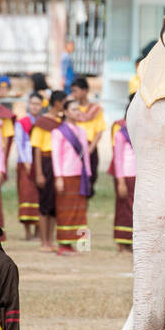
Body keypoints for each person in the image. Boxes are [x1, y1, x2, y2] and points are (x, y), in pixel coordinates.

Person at [52, 96, 93, 254]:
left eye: (78, 109)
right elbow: (56, 156)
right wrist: (59, 178)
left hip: (80, 175)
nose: (77, 112)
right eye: (74, 109)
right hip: (66, 175)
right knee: (65, 210)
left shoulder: (82, 131)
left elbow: (86, 156)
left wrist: (88, 173)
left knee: (80, 210)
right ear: (66, 112)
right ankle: (64, 245)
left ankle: (82, 245)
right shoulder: (58, 132)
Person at [30, 91, 65, 253]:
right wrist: (39, 173)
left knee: (54, 204)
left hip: (58, 163)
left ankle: (51, 240)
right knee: (44, 203)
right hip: (45, 162)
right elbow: (36, 149)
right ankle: (43, 241)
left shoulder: (61, 122)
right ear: (57, 103)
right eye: (64, 101)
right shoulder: (42, 123)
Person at [66, 77, 105, 198]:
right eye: (72, 91)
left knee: (90, 177)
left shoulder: (96, 109)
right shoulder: (71, 109)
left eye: (76, 91)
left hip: (90, 147)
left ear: (85, 91)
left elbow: (99, 130)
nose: (74, 94)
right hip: (74, 147)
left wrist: (91, 148)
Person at [15, 92, 43, 238]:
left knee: (39, 196)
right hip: (25, 163)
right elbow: (19, 143)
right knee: (26, 195)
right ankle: (27, 231)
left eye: (37, 104)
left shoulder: (43, 122)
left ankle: (38, 230)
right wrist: (25, 161)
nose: (34, 107)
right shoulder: (22, 122)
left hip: (39, 163)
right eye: (32, 103)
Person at [110, 106, 135, 251]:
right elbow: (118, 159)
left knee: (135, 210)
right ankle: (122, 241)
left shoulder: (139, 133)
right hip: (125, 176)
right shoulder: (120, 134)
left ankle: (132, 241)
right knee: (124, 209)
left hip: (138, 175)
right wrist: (120, 182)